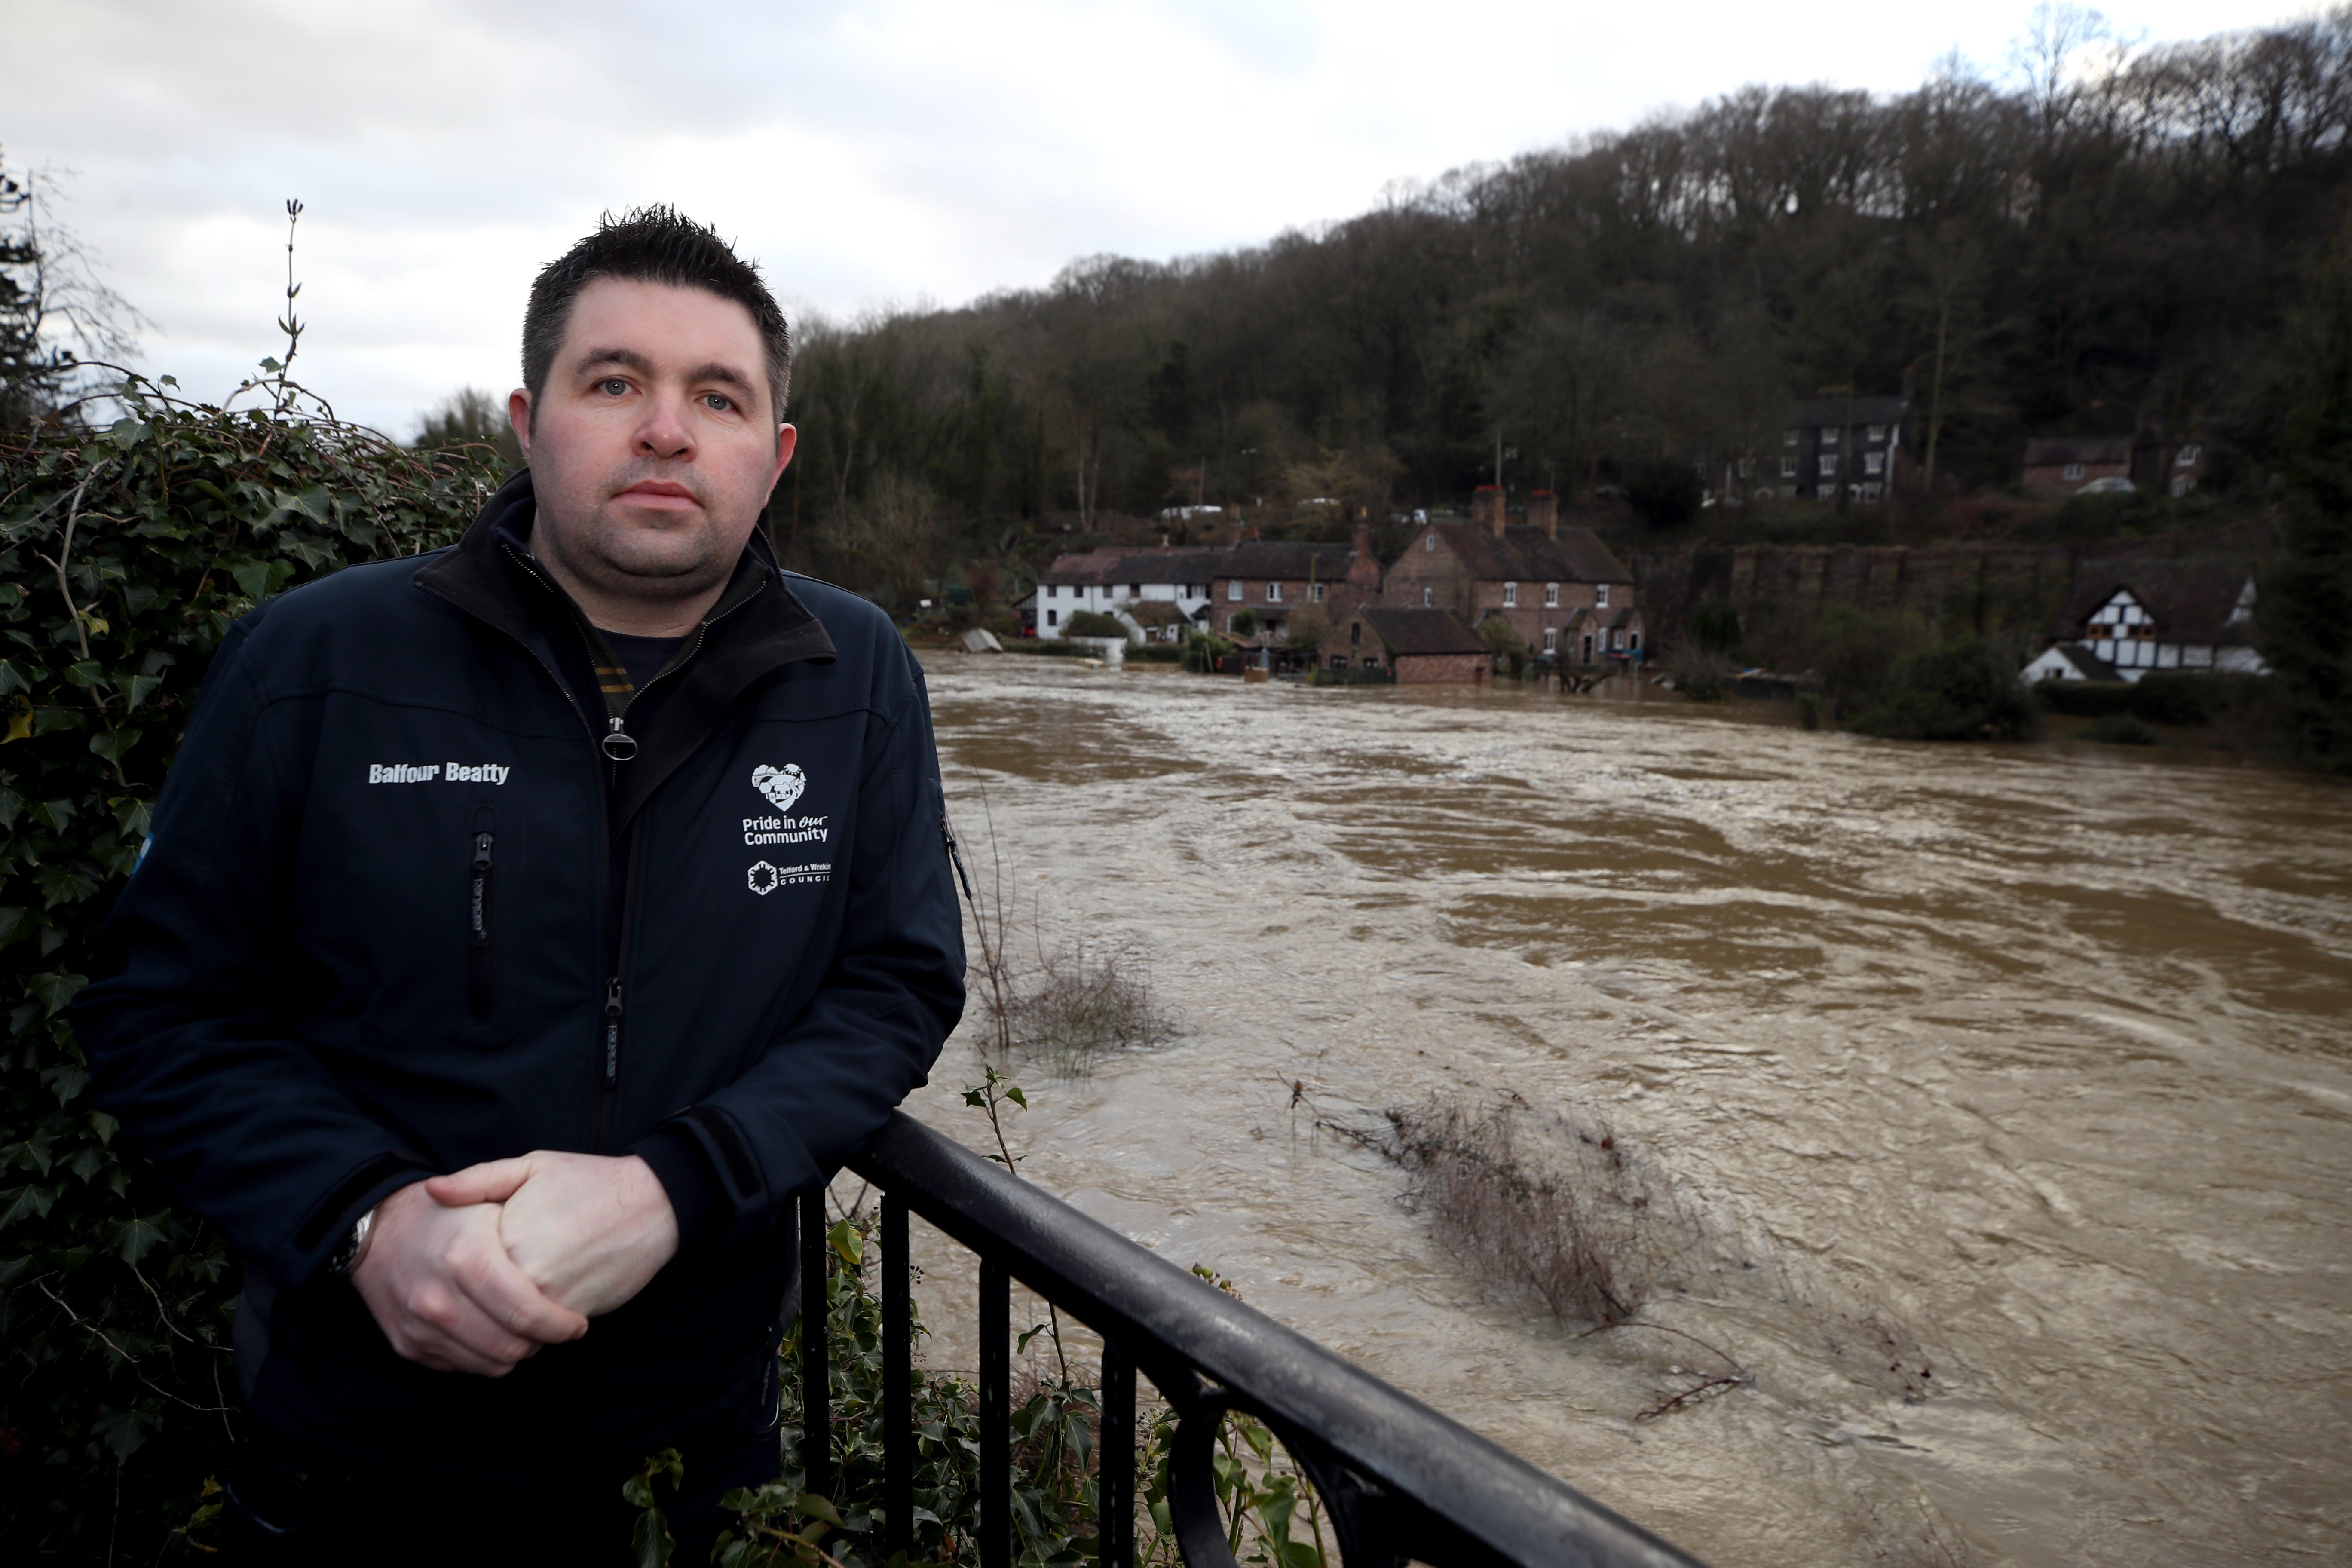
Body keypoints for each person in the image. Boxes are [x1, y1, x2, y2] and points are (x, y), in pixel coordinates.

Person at [72, 208, 965, 1563]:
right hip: (352, 1451)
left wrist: (679, 1182)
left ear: (773, 458)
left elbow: (894, 984)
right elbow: (162, 1011)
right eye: (615, 383)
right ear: (527, 419)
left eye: (716, 397)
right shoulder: (316, 661)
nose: (666, 429)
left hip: (702, 1456)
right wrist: (362, 1223)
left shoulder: (857, 676)